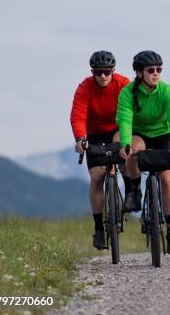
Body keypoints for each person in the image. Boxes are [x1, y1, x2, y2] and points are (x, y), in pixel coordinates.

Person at [116, 50, 170, 255]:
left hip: (163, 134)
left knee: (167, 180)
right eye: (151, 70)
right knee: (133, 151)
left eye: (159, 69)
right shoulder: (128, 93)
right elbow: (125, 119)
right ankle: (134, 190)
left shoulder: (167, 91)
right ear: (139, 73)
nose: (156, 73)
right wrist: (126, 143)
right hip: (139, 134)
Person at [70, 51, 130, 250]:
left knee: (123, 150)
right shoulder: (85, 87)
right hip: (94, 133)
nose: (102, 76)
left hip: (118, 128)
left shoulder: (123, 84)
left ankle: (131, 192)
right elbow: (78, 115)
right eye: (98, 72)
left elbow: (130, 110)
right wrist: (80, 138)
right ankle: (98, 229)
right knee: (96, 177)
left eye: (106, 72)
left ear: (113, 71)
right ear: (92, 72)